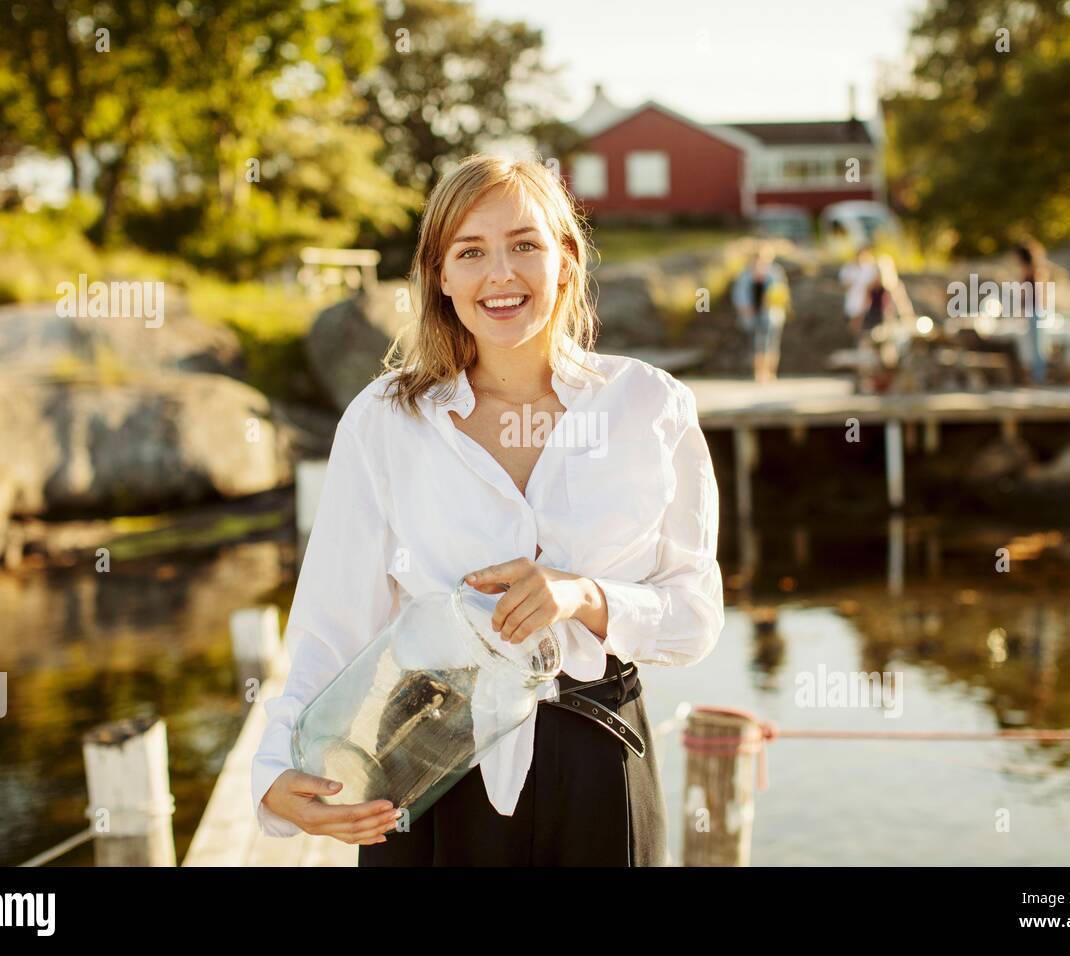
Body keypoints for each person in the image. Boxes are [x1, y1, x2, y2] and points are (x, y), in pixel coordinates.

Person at [251, 155, 725, 866]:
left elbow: (696, 617)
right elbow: (331, 624)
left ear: (566, 260)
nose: (500, 274)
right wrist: (274, 771)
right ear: (440, 276)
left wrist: (588, 597)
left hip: (602, 764)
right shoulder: (385, 422)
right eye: (470, 252)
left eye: (525, 245)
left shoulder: (649, 407)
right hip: (422, 769)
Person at [842, 245, 916, 393]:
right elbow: (864, 305)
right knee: (867, 352)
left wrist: (910, 321)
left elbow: (903, 306)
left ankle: (885, 384)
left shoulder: (894, 287)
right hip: (872, 321)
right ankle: (865, 383)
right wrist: (857, 321)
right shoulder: (871, 287)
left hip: (887, 323)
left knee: (889, 354)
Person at [732, 241, 791, 383]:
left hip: (772, 314)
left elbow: (781, 293)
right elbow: (739, 293)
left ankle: (771, 373)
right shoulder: (746, 273)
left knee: (772, 343)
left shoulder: (775, 272)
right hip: (752, 314)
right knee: (756, 344)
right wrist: (744, 308)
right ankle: (759, 373)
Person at [1014, 238, 1050, 385]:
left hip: (1035, 311)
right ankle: (1037, 375)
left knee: (1037, 345)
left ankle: (1039, 377)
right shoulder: (1033, 271)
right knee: (1034, 344)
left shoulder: (1033, 272)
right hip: (1034, 311)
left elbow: (1033, 294)